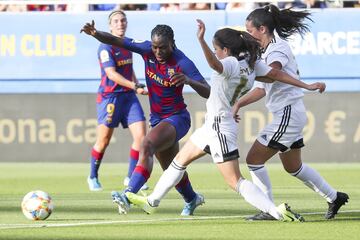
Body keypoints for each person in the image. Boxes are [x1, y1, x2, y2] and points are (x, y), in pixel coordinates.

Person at [124, 19, 326, 221]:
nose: (215, 52)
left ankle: (276, 211)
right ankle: (152, 201)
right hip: (212, 125)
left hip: (220, 127)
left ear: (226, 50)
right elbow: (275, 74)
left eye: (216, 48)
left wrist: (201, 40)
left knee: (235, 181)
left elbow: (214, 64)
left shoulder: (230, 63)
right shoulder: (252, 64)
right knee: (178, 162)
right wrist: (305, 85)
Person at [81, 20, 211, 215]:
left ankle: (128, 194)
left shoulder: (182, 62)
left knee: (146, 144)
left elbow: (208, 91)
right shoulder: (147, 50)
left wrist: (189, 80)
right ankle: (192, 198)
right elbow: (116, 40)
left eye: (163, 48)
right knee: (170, 167)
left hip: (177, 118)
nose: (158, 52)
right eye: (155, 47)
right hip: (158, 119)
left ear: (172, 44)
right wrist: (95, 33)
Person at [234, 4, 349, 221]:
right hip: (289, 114)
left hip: (287, 114)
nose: (249, 35)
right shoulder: (265, 51)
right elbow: (262, 88)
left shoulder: (277, 48)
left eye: (250, 31)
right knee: (293, 166)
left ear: (262, 29)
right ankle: (334, 197)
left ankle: (268, 209)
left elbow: (273, 73)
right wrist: (238, 104)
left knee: (253, 160)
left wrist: (247, 72)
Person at [86, 10, 148, 192]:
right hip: (110, 97)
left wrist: (136, 84)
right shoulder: (105, 47)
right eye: (116, 21)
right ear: (110, 26)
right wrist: (134, 86)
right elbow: (111, 74)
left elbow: (129, 69)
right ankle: (93, 176)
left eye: (123, 20)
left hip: (128, 96)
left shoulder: (127, 44)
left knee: (141, 138)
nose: (120, 23)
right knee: (104, 140)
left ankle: (131, 177)